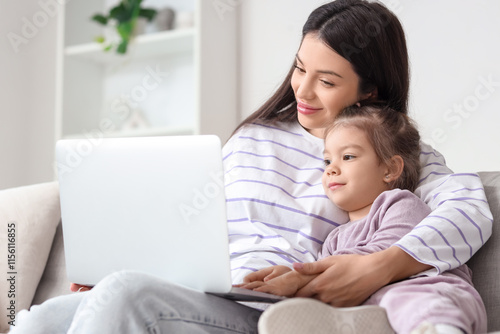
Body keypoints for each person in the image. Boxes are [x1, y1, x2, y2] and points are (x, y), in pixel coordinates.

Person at [10, 0, 492, 333]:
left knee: (125, 296)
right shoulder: (252, 137)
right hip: (202, 292)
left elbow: (469, 212)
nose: (302, 91)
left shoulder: (388, 154)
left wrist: (376, 267)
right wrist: (119, 262)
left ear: (368, 90)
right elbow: (188, 229)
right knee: (43, 319)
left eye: (326, 81)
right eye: (300, 69)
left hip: (270, 310)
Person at [240, 104, 487, 334]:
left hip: (431, 293)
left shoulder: (400, 203)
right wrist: (287, 274)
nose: (331, 169)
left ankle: (441, 329)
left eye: (347, 157)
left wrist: (300, 278)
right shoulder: (334, 238)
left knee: (403, 298)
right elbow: (328, 279)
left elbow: (382, 249)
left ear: (390, 169)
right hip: (372, 308)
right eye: (327, 160)